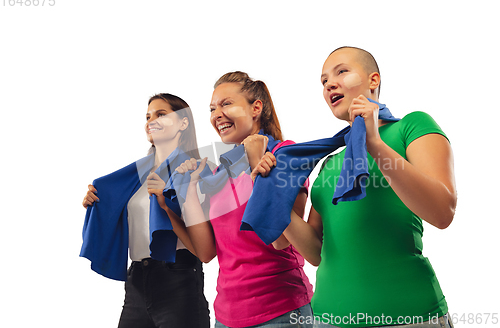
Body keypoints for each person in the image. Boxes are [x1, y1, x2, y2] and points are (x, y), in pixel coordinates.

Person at [253, 47, 457, 328]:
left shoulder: (412, 126)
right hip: (328, 318)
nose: (329, 85)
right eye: (323, 81)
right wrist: (270, 192)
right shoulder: (329, 164)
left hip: (409, 316)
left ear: (374, 80)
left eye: (341, 71)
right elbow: (315, 252)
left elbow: (442, 211)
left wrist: (374, 144)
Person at [175, 71, 314, 328]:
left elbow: (280, 241)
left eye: (226, 104)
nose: (217, 114)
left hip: (280, 312)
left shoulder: (285, 156)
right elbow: (207, 253)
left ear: (256, 108)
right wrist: (190, 189)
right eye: (212, 108)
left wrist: (254, 167)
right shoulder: (219, 173)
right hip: (226, 317)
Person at [81, 93, 210, 328]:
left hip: (179, 277)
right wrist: (98, 201)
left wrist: (167, 198)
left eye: (161, 114)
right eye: (148, 116)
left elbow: (205, 245)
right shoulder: (133, 177)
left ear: (183, 123)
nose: (152, 120)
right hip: (137, 279)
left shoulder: (197, 170)